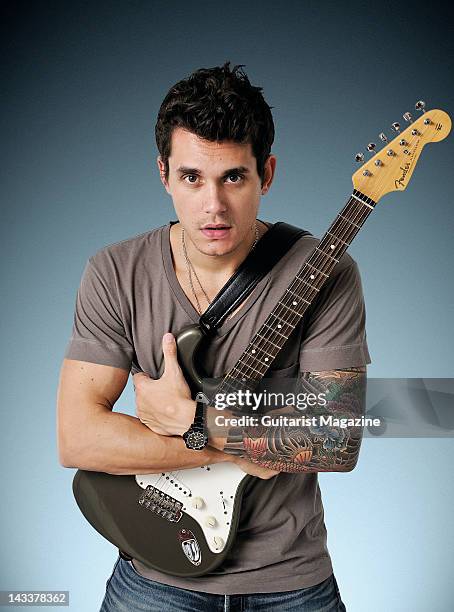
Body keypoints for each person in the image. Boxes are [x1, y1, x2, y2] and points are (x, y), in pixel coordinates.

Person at [57, 62, 370, 611]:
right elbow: (78, 438)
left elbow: (336, 441)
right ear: (163, 173)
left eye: (233, 177)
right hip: (153, 576)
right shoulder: (115, 271)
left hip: (290, 579)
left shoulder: (327, 272)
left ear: (265, 174)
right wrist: (229, 443)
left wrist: (198, 421)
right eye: (191, 177)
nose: (213, 206)